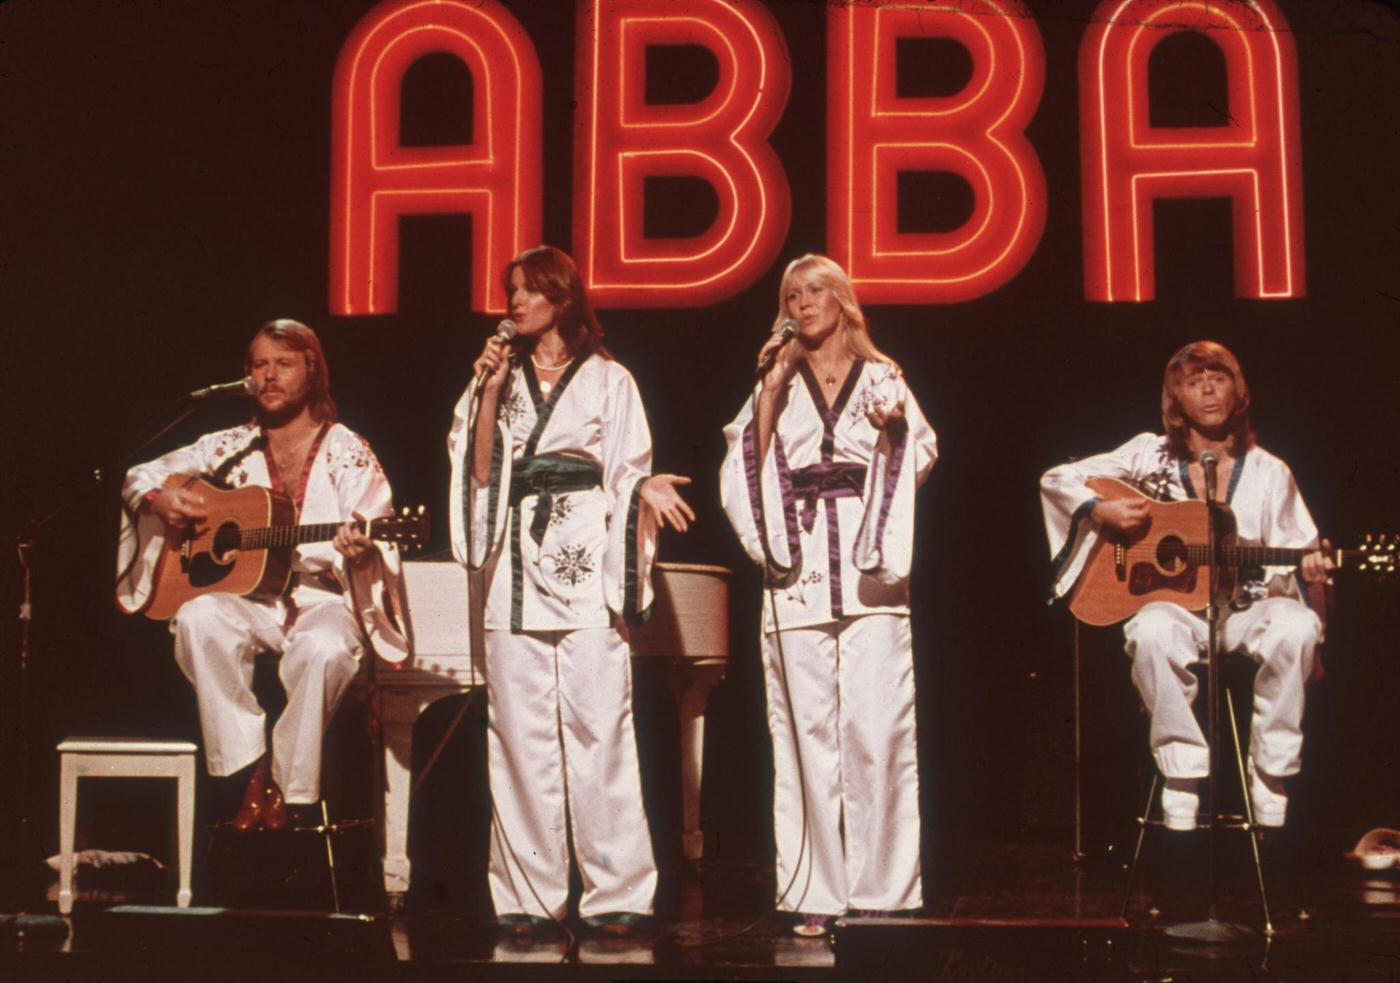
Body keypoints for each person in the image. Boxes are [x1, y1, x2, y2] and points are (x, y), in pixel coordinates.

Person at [447, 245, 693, 937]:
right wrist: (490, 390)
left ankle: (617, 891)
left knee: (599, 728)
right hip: (513, 572)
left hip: (585, 567)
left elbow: (626, 466)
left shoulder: (611, 380)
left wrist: (642, 487)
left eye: (527, 291)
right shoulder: (493, 378)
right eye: (510, 292)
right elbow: (476, 468)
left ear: (561, 297)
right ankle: (528, 892)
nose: (514, 303)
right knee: (518, 734)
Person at [719, 254, 937, 937]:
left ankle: (884, 889)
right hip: (799, 566)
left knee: (877, 728)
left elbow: (920, 452)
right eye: (793, 293)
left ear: (842, 300)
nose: (804, 301)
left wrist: (893, 434)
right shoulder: (772, 382)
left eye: (816, 290)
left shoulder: (884, 375)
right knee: (804, 733)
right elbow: (742, 464)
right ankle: (813, 886)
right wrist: (771, 386)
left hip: (871, 570)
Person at [117, 319, 406, 831]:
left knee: (324, 650)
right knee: (198, 617)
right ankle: (250, 773)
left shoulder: (347, 451)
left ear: (312, 373)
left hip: (323, 602)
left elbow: (377, 535)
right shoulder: (228, 446)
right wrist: (163, 501)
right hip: (250, 601)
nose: (269, 376)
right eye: (259, 365)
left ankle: (285, 785)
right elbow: (139, 475)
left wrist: (359, 549)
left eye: (284, 364)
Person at [1040, 340, 1332, 831]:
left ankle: (1270, 769)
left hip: (1246, 612)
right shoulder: (1147, 456)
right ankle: (1182, 771)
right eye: (1194, 383)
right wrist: (1101, 509)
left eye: (1218, 379)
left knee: (1297, 627)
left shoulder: (1270, 471)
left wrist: (1315, 594)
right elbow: (1056, 479)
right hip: (1178, 612)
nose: (1208, 391)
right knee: (1150, 632)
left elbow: (1300, 553)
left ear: (1237, 391)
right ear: (1177, 399)